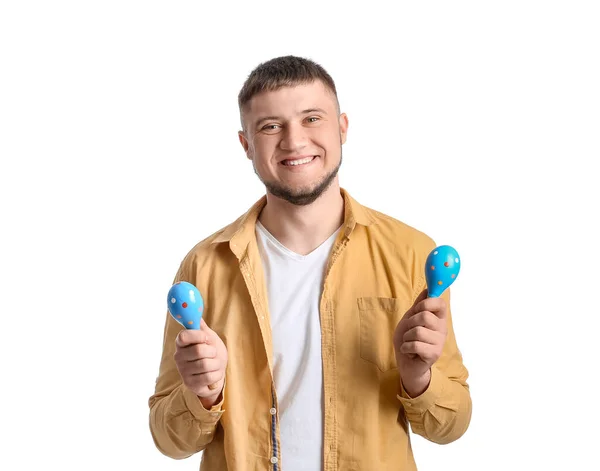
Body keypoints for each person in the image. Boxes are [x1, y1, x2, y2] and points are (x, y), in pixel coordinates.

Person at [148, 55, 472, 471]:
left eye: (312, 118)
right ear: (246, 145)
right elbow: (168, 440)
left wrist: (419, 379)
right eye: (270, 126)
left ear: (342, 128)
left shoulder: (410, 255)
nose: (294, 141)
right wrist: (202, 393)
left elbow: (451, 425)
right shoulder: (205, 266)